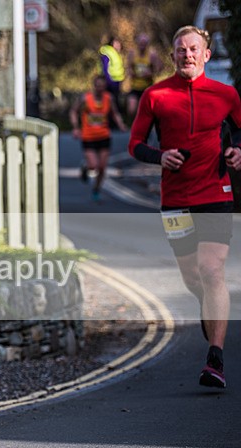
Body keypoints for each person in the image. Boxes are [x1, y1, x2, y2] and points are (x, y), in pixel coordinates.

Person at [129, 26, 241, 389]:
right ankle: (210, 304)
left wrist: (237, 150)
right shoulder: (155, 95)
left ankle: (215, 359)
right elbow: (135, 143)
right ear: (173, 55)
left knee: (212, 269)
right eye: (181, 49)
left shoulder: (226, 94)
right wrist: (160, 157)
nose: (187, 54)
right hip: (175, 199)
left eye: (194, 49)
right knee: (193, 277)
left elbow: (240, 132)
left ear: (206, 55)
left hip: (216, 193)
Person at [70, 74, 127, 202]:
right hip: (88, 137)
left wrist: (121, 125)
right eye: (98, 86)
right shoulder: (85, 98)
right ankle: (86, 167)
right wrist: (76, 127)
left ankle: (96, 189)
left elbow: (115, 113)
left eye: (102, 86)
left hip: (104, 136)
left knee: (102, 168)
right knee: (93, 166)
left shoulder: (108, 98)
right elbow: (73, 111)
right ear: (94, 86)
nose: (100, 89)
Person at [126, 33, 162, 119]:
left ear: (147, 44)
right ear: (137, 43)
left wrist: (151, 73)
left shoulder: (152, 55)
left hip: (147, 87)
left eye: (144, 44)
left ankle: (148, 124)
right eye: (140, 43)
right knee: (131, 109)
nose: (142, 46)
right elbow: (128, 67)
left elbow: (159, 68)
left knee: (149, 111)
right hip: (135, 87)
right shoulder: (132, 54)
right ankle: (133, 123)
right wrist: (131, 72)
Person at [99, 36, 126, 116]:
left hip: (116, 81)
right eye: (116, 43)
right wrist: (108, 81)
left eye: (119, 44)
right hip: (110, 82)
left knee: (115, 101)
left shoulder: (115, 53)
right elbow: (105, 68)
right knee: (111, 102)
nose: (118, 45)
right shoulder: (108, 52)